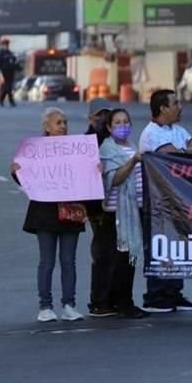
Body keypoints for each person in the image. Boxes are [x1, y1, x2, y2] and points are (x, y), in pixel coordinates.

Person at [11, 108, 86, 322]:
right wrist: (17, 172)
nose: (63, 126)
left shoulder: (76, 149)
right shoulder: (35, 150)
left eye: (65, 122)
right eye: (58, 123)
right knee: (47, 262)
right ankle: (45, 306)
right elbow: (28, 178)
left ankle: (69, 305)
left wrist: (94, 169)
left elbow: (85, 176)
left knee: (68, 261)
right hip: (44, 214)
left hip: (70, 213)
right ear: (46, 127)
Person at [138, 89, 192, 313]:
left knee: (177, 247)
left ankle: (174, 293)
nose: (180, 106)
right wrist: (183, 152)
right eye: (176, 103)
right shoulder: (151, 133)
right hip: (159, 201)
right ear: (163, 108)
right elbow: (172, 157)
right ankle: (156, 296)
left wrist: (182, 151)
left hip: (180, 199)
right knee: (160, 247)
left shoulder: (178, 129)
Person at [97, 108, 147, 319]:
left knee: (129, 260)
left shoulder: (132, 146)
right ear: (109, 127)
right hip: (116, 213)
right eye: (117, 122)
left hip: (134, 211)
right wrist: (133, 161)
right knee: (119, 261)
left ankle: (123, 300)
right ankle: (122, 302)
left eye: (126, 121)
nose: (122, 126)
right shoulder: (108, 149)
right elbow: (114, 179)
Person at [84, 98, 118, 318]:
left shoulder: (112, 138)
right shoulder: (85, 142)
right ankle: (99, 301)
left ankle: (110, 299)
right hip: (97, 207)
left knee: (114, 254)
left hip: (114, 205)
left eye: (106, 114)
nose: (103, 119)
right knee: (103, 253)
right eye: (99, 115)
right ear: (90, 118)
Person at [0, 38, 19, 107]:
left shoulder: (10, 53)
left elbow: (14, 62)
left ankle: (1, 99)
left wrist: (18, 68)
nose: (6, 46)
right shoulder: (1, 54)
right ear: (2, 45)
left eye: (7, 45)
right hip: (4, 73)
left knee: (8, 87)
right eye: (5, 45)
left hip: (11, 72)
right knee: (8, 87)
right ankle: (11, 101)